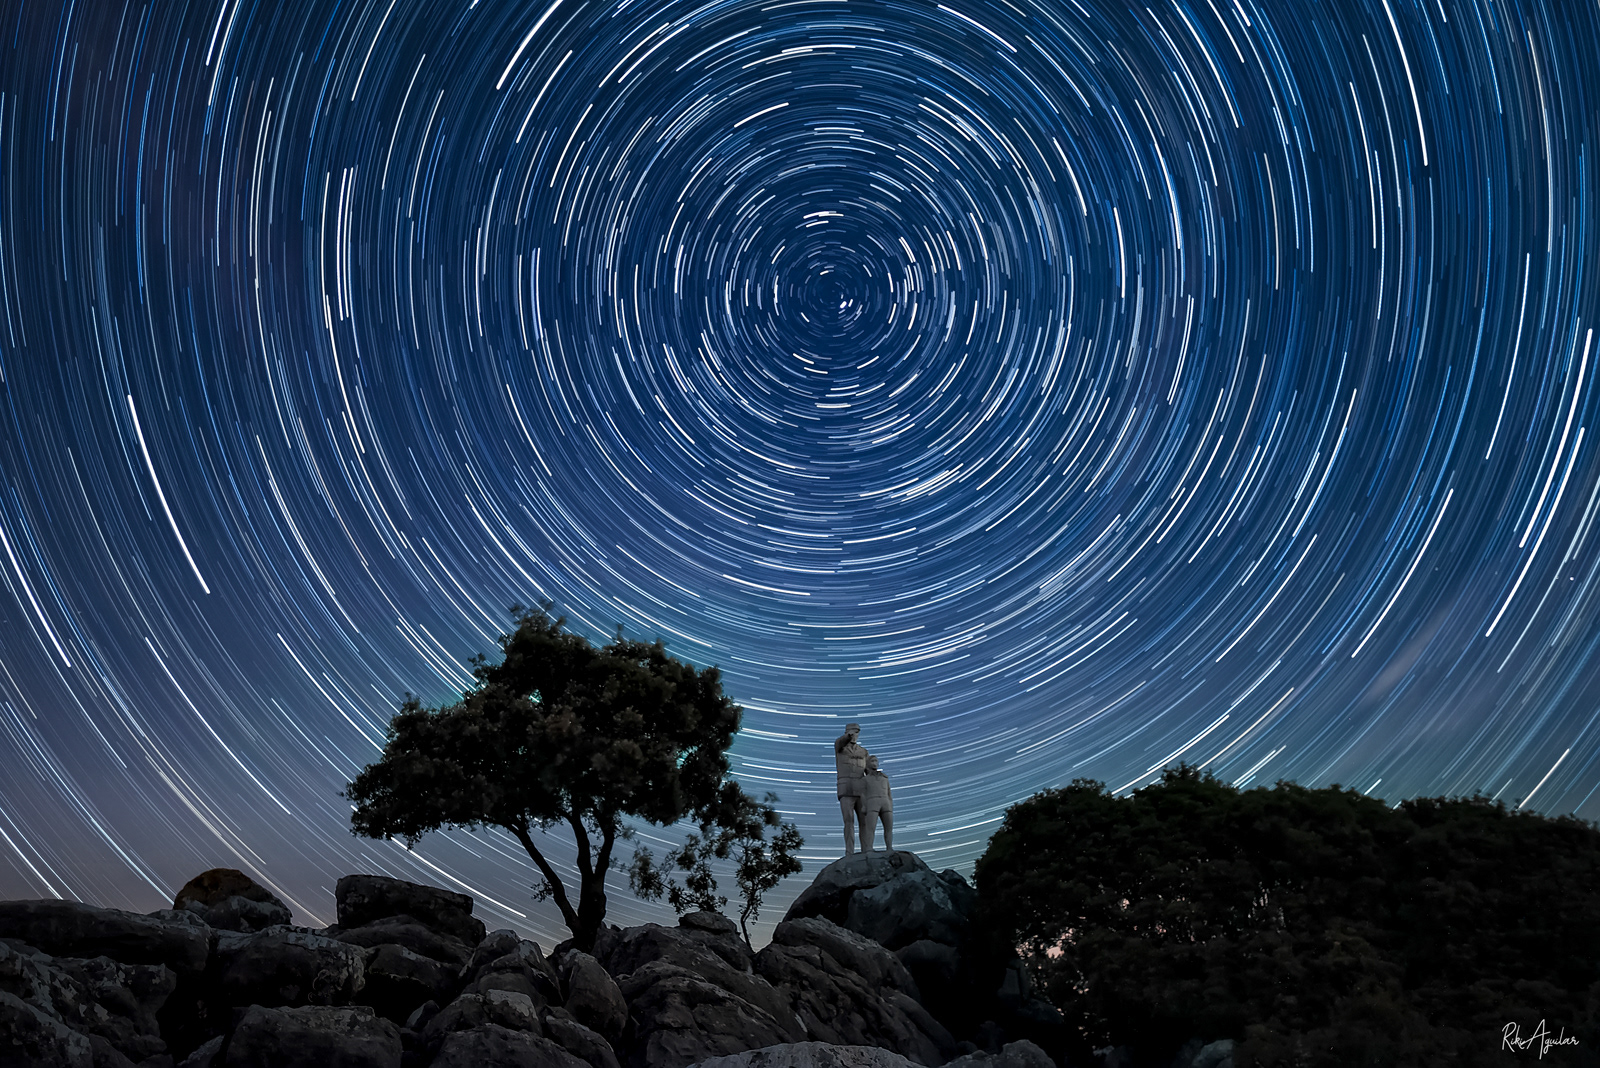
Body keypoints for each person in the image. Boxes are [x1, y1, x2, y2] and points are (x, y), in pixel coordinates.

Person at [835, 723, 869, 854]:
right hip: (846, 789)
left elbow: (868, 772)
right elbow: (841, 741)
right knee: (848, 821)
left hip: (861, 790)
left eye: (857, 732)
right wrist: (847, 736)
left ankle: (866, 849)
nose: (854, 735)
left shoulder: (863, 752)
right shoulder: (840, 747)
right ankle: (849, 851)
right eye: (852, 732)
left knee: (864, 822)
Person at [859, 755, 893, 852]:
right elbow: (863, 794)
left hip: (885, 802)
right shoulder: (865, 779)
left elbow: (889, 793)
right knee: (871, 827)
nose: (874, 763)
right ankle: (869, 847)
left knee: (888, 827)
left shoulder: (884, 778)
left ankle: (889, 847)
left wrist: (890, 805)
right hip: (872, 802)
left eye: (876, 761)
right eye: (872, 761)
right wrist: (864, 806)